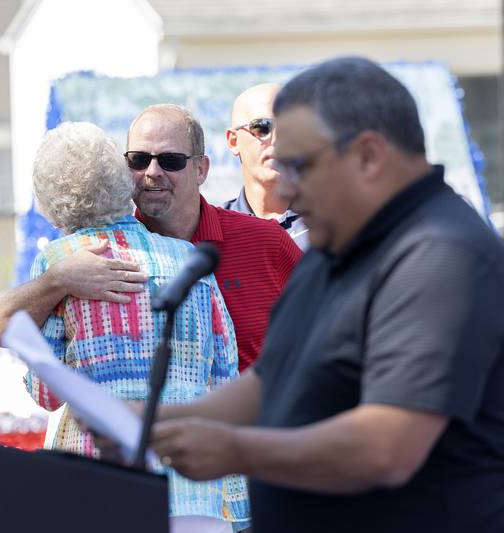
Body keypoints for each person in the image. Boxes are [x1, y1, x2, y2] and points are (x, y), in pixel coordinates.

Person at [143, 57, 504, 533]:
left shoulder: (442, 253)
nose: (286, 185)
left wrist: (235, 449)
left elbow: (386, 448)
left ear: (369, 156)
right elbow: (269, 382)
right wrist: (149, 423)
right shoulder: (338, 240)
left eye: (300, 165)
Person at [25, 121, 248, 532]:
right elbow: (225, 376)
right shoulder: (186, 256)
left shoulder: (61, 262)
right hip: (194, 488)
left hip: (100, 482)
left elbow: (46, 391)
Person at [0, 104, 301, 373]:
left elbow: (330, 332)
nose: (152, 172)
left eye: (170, 161)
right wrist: (57, 281)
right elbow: (1, 329)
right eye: (138, 160)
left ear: (201, 169)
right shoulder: (91, 256)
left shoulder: (266, 243)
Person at [224, 83, 309, 250]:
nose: (277, 139)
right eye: (262, 127)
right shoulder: (214, 228)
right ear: (233, 141)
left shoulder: (334, 223)